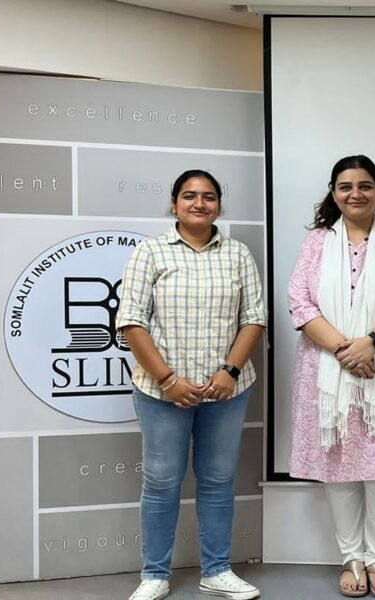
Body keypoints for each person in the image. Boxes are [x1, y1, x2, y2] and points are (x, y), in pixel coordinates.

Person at [117, 169, 266, 600]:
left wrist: (229, 372)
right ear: (174, 203)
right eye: (189, 195)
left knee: (218, 480)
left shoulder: (237, 254)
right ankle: (155, 575)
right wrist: (167, 380)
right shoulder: (150, 252)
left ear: (219, 204)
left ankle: (216, 571)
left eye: (209, 196)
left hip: (226, 391)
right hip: (161, 392)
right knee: (162, 481)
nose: (199, 203)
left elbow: (254, 318)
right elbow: (131, 321)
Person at [287, 155, 375, 598]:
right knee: (339, 467)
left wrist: (371, 343)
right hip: (327, 369)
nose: (355, 194)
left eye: (365, 186)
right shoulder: (316, 243)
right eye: (346, 186)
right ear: (333, 193)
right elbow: (300, 302)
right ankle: (351, 556)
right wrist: (344, 351)